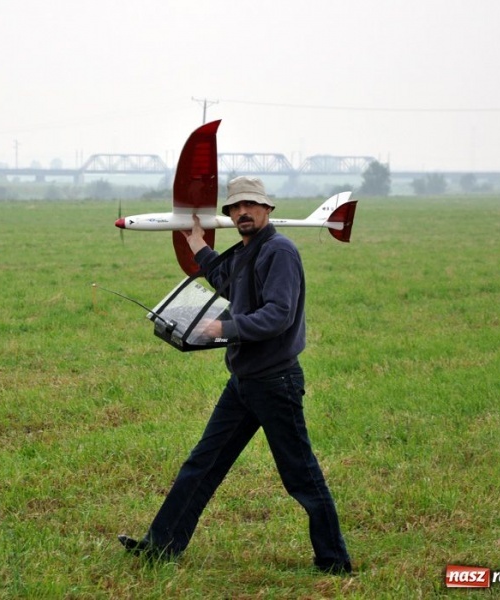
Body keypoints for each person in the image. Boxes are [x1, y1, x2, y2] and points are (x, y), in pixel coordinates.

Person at [118, 176, 352, 574]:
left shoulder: (280, 251)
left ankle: (334, 562)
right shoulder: (246, 251)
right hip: (243, 382)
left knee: (300, 475)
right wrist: (200, 249)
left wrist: (223, 329)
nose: (243, 212)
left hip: (275, 382)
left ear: (267, 210)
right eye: (235, 208)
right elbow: (227, 283)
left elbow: (279, 314)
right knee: (201, 464)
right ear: (229, 215)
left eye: (251, 206)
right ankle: (161, 546)